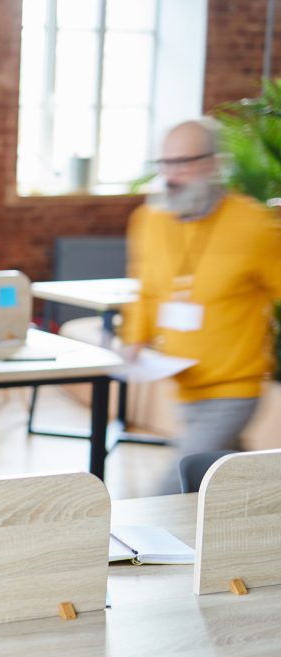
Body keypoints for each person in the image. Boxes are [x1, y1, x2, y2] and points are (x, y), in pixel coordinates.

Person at [121, 119, 281, 492]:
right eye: (165, 164)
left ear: (214, 163)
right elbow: (147, 291)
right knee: (237, 484)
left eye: (184, 163)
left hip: (234, 390)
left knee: (175, 485)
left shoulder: (253, 224)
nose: (171, 176)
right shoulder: (148, 221)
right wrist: (134, 339)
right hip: (185, 388)